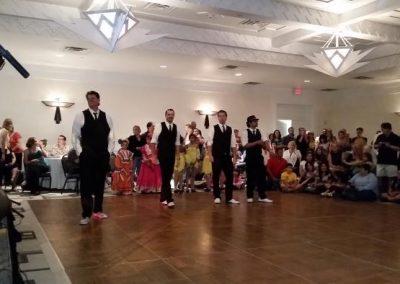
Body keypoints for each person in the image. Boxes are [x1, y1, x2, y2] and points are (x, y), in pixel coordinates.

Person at [72, 90, 115, 225]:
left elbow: (112, 136)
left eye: (93, 98)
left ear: (98, 100)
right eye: (88, 99)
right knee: (86, 185)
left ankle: (97, 211)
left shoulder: (107, 116)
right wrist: (81, 152)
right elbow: (75, 136)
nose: (90, 100)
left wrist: (108, 152)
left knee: (99, 184)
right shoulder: (80, 116)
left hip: (102, 156)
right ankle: (86, 214)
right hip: (87, 156)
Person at [208, 110, 239, 204]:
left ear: (226, 117)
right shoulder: (213, 128)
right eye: (220, 116)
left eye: (223, 116)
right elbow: (209, 143)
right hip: (216, 156)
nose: (221, 118)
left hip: (227, 157)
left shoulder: (230, 129)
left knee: (229, 176)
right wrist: (210, 155)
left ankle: (229, 197)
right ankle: (217, 196)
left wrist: (235, 156)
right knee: (216, 176)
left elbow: (233, 144)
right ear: (218, 117)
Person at [150, 109, 180, 207]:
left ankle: (163, 198)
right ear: (165, 115)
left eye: (172, 114)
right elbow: (153, 141)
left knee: (168, 176)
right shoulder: (159, 126)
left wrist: (178, 156)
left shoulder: (176, 127)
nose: (170, 116)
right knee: (165, 175)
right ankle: (169, 199)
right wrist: (154, 156)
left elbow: (177, 143)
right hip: (162, 154)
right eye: (169, 114)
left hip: (171, 154)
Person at [242, 115, 273, 203]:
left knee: (261, 176)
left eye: (256, 121)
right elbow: (245, 145)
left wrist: (269, 149)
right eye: (254, 121)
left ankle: (262, 196)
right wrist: (257, 142)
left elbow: (266, 141)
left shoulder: (260, 131)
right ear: (250, 123)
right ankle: (250, 196)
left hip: (259, 157)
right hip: (250, 157)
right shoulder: (245, 132)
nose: (256, 122)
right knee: (250, 177)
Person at [374, 122, 400, 195]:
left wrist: (390, 146)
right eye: (382, 129)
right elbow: (375, 146)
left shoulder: (396, 137)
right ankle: (381, 193)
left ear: (389, 129)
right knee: (380, 177)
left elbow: (398, 148)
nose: (383, 131)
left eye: (384, 130)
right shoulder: (380, 136)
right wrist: (378, 145)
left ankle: (390, 192)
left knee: (391, 177)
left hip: (391, 161)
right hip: (381, 160)